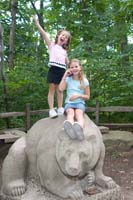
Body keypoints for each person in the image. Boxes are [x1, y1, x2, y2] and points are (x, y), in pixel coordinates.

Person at [33, 16, 71, 118]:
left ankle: (60, 108)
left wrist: (71, 70)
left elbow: (68, 63)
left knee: (60, 90)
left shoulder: (64, 51)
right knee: (52, 90)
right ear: (58, 36)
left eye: (66, 37)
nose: (64, 37)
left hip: (62, 71)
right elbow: (44, 34)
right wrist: (37, 23)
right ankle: (51, 109)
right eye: (63, 35)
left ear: (67, 42)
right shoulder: (52, 45)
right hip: (53, 69)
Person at [59, 59, 90, 140]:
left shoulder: (84, 81)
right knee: (70, 112)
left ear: (80, 67)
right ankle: (71, 130)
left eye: (76, 66)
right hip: (69, 103)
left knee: (78, 113)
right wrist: (65, 75)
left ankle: (80, 129)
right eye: (71, 67)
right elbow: (60, 89)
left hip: (80, 103)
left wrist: (78, 96)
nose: (74, 68)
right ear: (69, 69)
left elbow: (87, 96)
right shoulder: (68, 79)